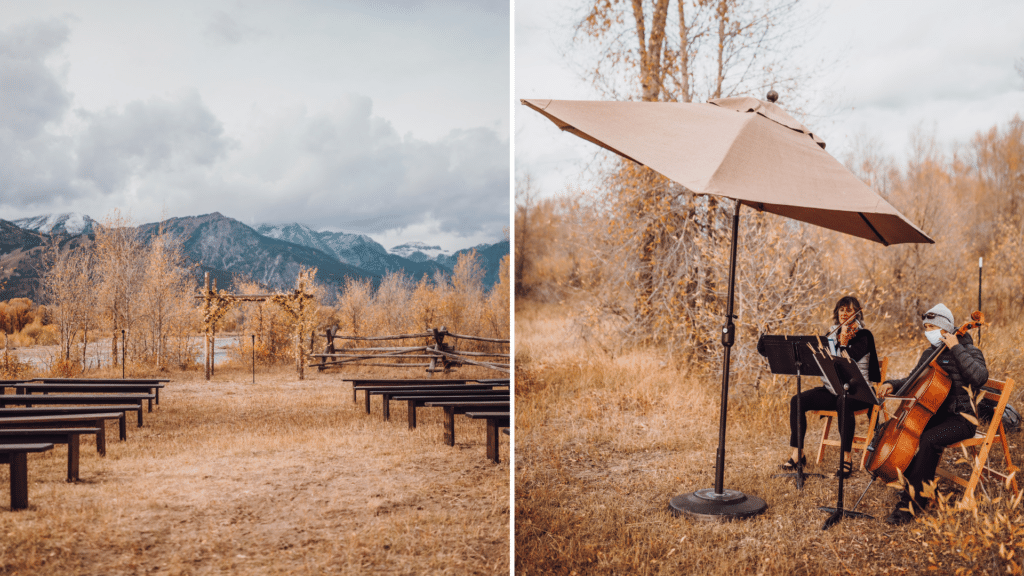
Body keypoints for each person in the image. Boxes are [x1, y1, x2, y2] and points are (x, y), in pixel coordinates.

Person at [876, 303, 988, 525]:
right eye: (926, 327)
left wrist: (957, 348)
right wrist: (892, 384)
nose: (929, 332)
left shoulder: (970, 351)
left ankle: (911, 505)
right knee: (902, 429)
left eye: (932, 327)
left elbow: (980, 377)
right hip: (936, 413)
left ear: (946, 329)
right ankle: (916, 484)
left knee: (929, 439)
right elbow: (913, 381)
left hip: (962, 419)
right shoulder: (930, 353)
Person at [779, 296, 882, 479]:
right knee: (797, 400)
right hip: (834, 390)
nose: (844, 313)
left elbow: (848, 360)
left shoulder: (864, 335)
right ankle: (798, 454)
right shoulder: (830, 335)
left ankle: (846, 457)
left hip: (859, 392)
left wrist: (842, 342)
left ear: (857, 313)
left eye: (849, 310)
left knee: (844, 400)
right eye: (841, 310)